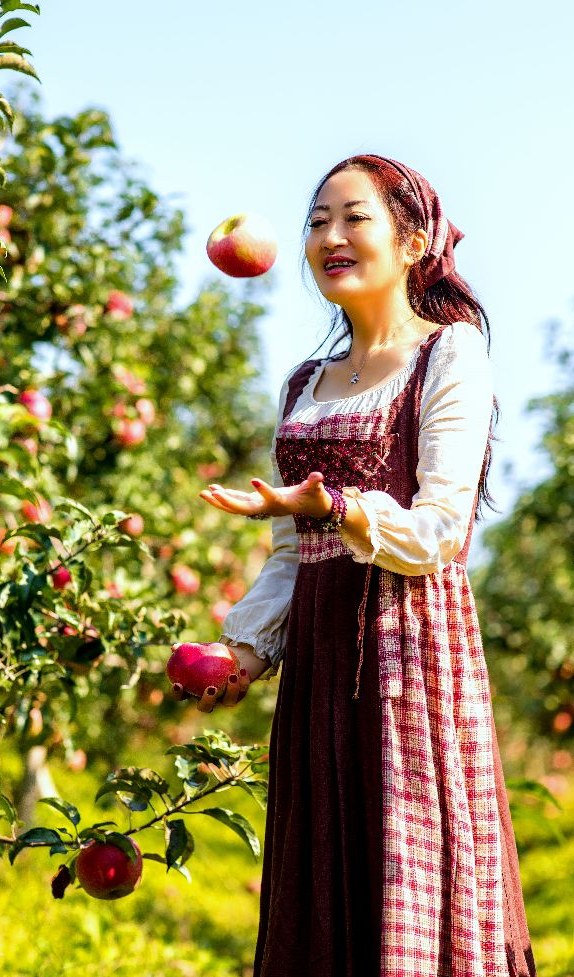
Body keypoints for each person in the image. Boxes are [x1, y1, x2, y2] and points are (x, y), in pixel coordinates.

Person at [170, 154, 537, 977]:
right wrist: (246, 650)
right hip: (320, 674)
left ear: (412, 241)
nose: (328, 236)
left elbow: (440, 530)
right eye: (314, 221)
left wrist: (335, 507)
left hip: (408, 656)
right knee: (324, 886)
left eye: (353, 217)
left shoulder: (449, 355)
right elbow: (292, 556)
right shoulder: (306, 381)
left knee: (405, 875)